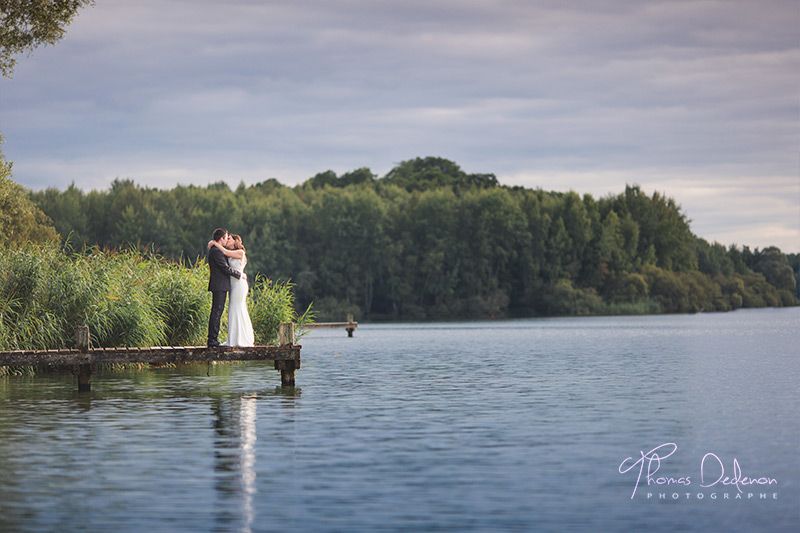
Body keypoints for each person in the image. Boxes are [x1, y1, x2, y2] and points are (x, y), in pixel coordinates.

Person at [209, 233, 255, 347]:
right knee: (233, 310)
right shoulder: (229, 254)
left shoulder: (240, 252)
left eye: (229, 238)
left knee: (238, 308)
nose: (227, 240)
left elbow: (225, 252)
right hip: (232, 285)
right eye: (226, 238)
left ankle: (241, 339)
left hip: (239, 284)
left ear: (235, 240)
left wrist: (215, 243)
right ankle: (233, 339)